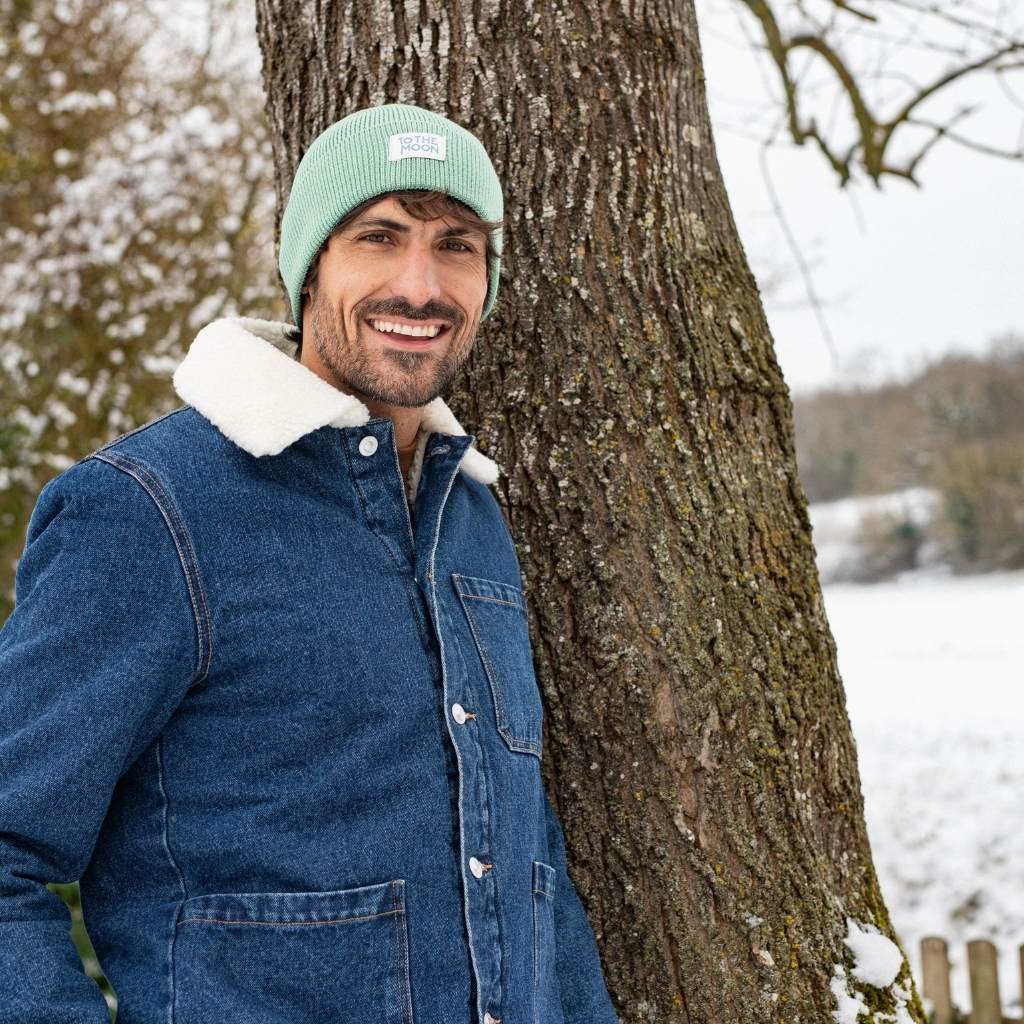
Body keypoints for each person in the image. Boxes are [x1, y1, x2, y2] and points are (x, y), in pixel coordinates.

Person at [0, 102, 619, 1024]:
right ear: (306, 268)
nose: (422, 285)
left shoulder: (471, 515)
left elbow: (527, 864)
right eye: (379, 236)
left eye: (457, 245)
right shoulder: (149, 510)